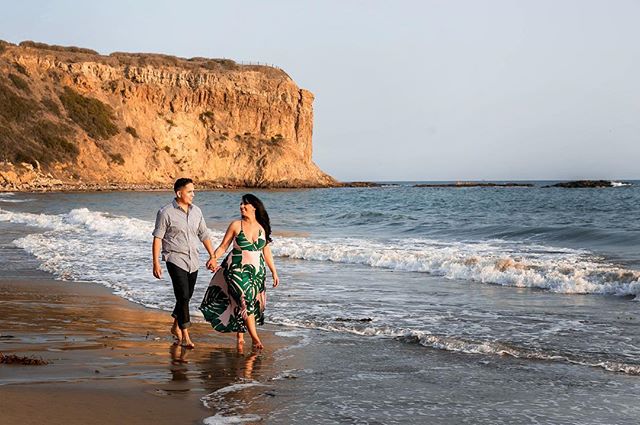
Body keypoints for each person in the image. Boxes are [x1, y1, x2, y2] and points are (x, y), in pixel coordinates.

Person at [199, 194, 279, 350]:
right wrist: (213, 258)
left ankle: (240, 333)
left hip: (257, 272)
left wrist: (274, 272)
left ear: (254, 207)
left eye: (245, 204)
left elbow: (266, 252)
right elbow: (223, 246)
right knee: (245, 298)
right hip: (236, 269)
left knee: (246, 303)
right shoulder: (236, 225)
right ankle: (255, 338)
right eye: (241, 204)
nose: (242, 206)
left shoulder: (262, 228)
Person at [152, 178, 216, 349]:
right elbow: (157, 238)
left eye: (193, 191)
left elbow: (204, 234)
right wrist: (156, 263)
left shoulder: (197, 212)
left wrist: (213, 256)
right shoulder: (165, 212)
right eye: (189, 192)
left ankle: (175, 325)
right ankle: (185, 333)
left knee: (186, 296)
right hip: (174, 258)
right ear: (179, 193)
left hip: (193, 259)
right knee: (182, 295)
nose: (193, 195)